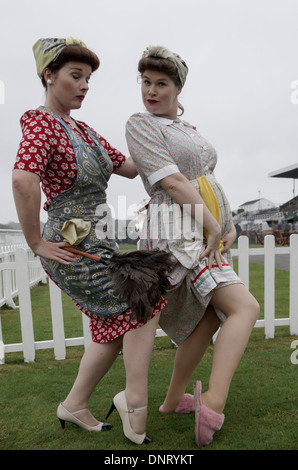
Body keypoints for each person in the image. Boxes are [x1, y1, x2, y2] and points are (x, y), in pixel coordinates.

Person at [12, 37, 169, 445]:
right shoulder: (40, 121)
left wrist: (159, 127)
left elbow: (133, 168)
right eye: (75, 76)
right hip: (67, 244)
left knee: (114, 331)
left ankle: (74, 405)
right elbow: (22, 178)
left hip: (96, 241)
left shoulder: (86, 130)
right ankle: (134, 402)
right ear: (49, 76)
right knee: (141, 294)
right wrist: (35, 242)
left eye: (88, 79)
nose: (84, 85)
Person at [125, 45, 260, 446]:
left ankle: (170, 401)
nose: (151, 90)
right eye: (146, 82)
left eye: (161, 83)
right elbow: (173, 182)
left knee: (208, 318)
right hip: (177, 230)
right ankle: (212, 405)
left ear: (178, 88)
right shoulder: (140, 124)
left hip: (205, 228)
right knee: (244, 307)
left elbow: (207, 179)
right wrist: (213, 227)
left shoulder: (189, 130)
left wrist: (227, 225)